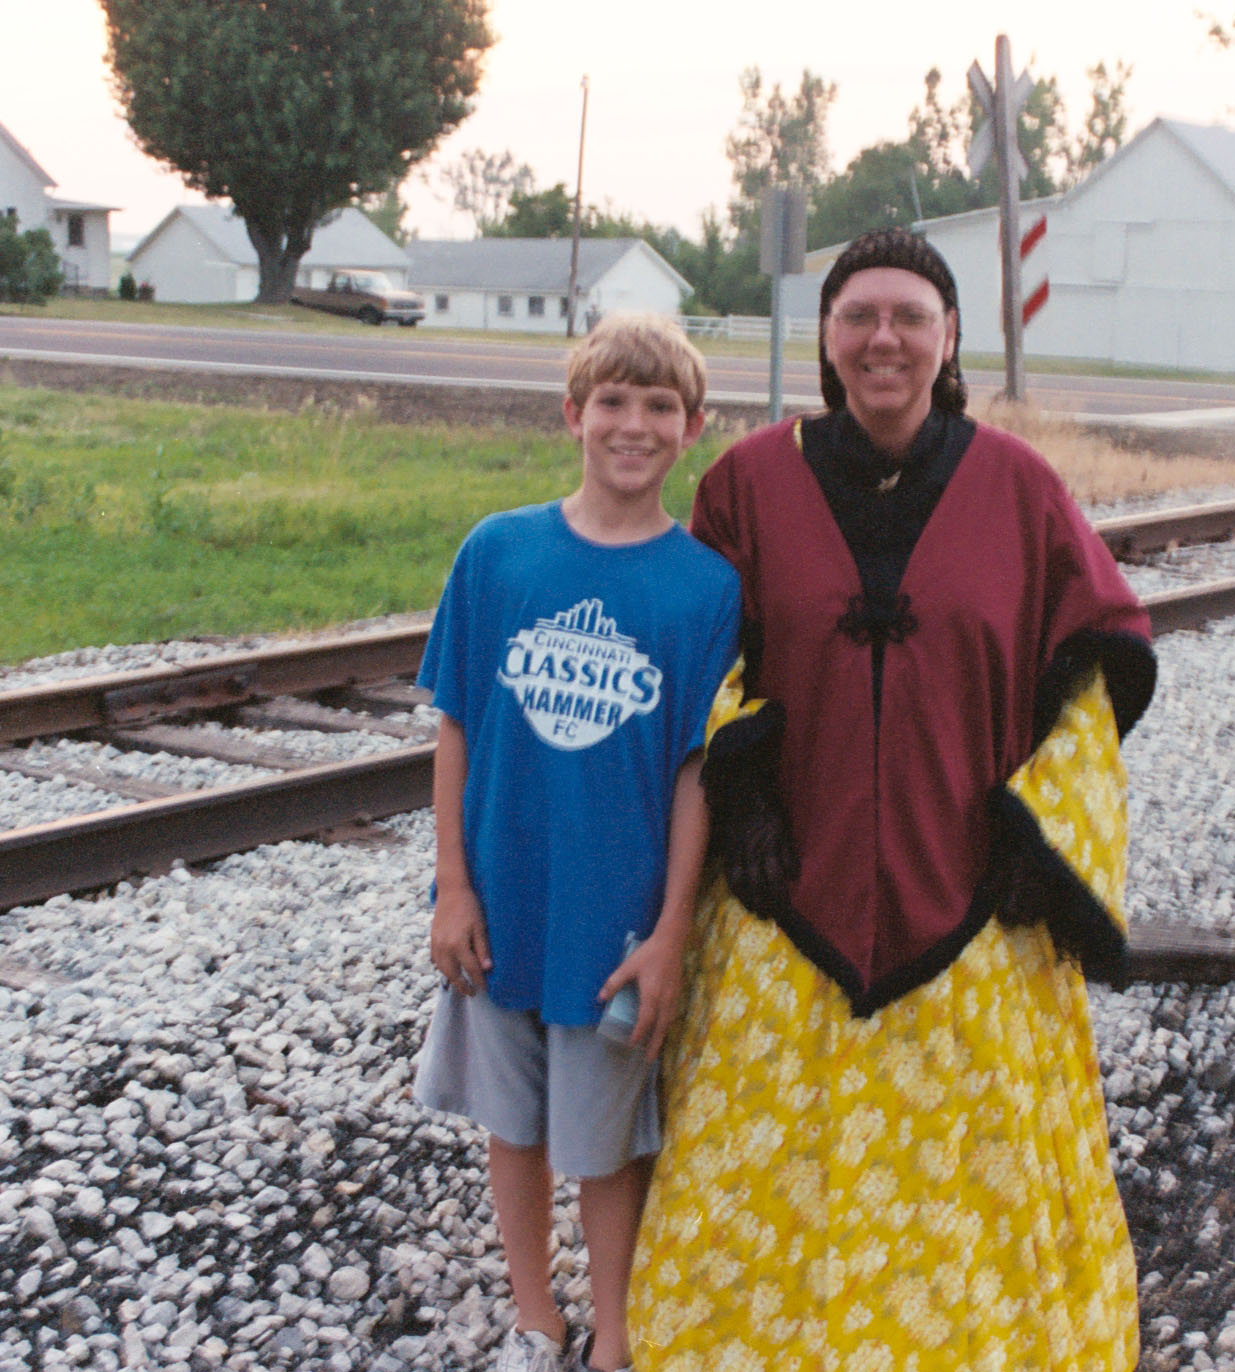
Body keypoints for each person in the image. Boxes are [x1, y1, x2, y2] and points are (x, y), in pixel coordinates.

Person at [626, 230, 1158, 1369]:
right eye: (859, 315)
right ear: (825, 337)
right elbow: (700, 661)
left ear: (949, 337)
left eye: (910, 317)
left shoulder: (1021, 489)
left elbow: (1098, 668)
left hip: (971, 918)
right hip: (784, 911)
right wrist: (745, 783)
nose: (885, 338)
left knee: (986, 1184)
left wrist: (1041, 837)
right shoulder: (747, 487)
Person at [411, 314, 740, 1372]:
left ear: (690, 427)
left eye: (656, 407)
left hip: (617, 916)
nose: (631, 425)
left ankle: (615, 1328)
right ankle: (533, 1316)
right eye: (611, 402)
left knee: (607, 1141)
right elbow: (456, 722)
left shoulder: (705, 588)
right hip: (506, 902)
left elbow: (698, 771)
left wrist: (672, 931)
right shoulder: (498, 553)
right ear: (572, 413)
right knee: (514, 1125)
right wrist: (450, 887)